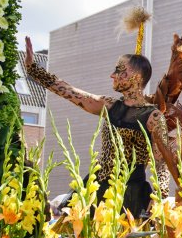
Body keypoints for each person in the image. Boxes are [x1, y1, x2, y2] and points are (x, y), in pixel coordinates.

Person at [24, 37, 170, 218]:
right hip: (97, 188)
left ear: (136, 77)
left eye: (119, 70)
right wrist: (34, 69)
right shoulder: (109, 105)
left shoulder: (153, 117)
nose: (112, 75)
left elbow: (162, 161)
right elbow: (70, 92)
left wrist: (160, 194)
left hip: (130, 195)